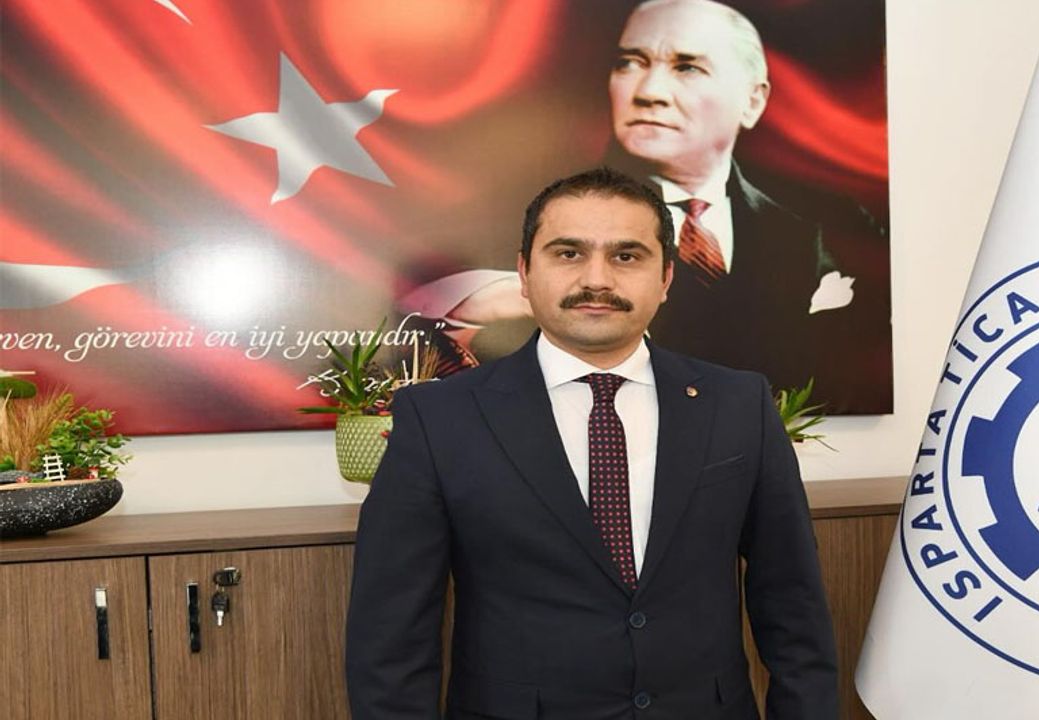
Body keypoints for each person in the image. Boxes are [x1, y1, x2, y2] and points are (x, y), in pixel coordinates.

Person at [347, 167, 839, 719]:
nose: (597, 278)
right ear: (524, 273)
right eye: (569, 253)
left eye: (626, 255)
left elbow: (793, 606)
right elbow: (390, 640)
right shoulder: (439, 418)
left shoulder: (740, 404)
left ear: (666, 277)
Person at [399, 0, 862, 396]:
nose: (649, 92)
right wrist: (466, 305)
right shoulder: (520, 216)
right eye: (630, 63)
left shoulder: (818, 231)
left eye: (687, 67)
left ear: (754, 100)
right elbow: (408, 330)